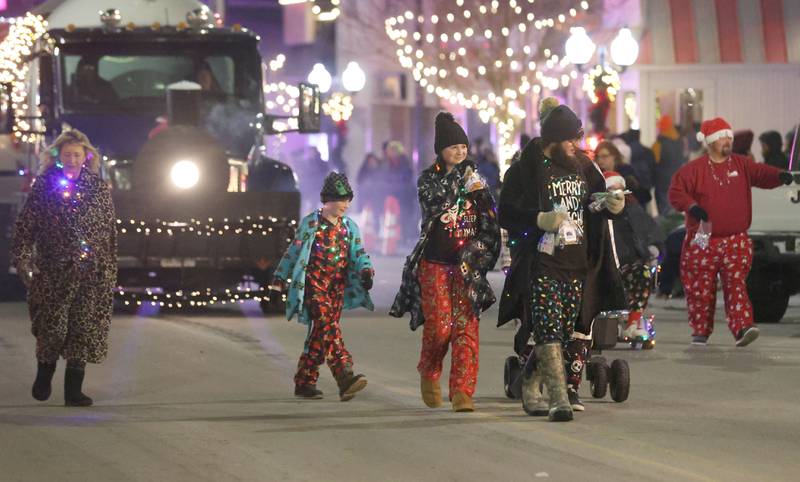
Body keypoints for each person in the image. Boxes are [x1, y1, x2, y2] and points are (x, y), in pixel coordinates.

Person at [498, 99, 625, 421]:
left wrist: (611, 203)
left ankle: (529, 382)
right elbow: (506, 212)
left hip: (577, 262)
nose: (575, 145)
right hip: (542, 262)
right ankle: (558, 400)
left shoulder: (582, 164)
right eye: (570, 140)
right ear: (553, 140)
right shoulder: (525, 168)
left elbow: (593, 198)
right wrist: (538, 219)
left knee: (563, 328)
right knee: (548, 329)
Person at [390, 112, 500, 412]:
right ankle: (429, 370)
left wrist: (486, 247)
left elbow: (490, 219)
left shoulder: (476, 178)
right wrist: (461, 181)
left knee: (466, 328)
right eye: (453, 147)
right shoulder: (429, 179)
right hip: (435, 262)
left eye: (463, 146)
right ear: (440, 150)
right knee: (440, 326)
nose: (460, 152)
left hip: (467, 267)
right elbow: (436, 203)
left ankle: (463, 391)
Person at [11, 129, 117, 407]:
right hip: (54, 271)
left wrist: (107, 268)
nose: (72, 159)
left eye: (77, 154)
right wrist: (22, 258)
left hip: (90, 273)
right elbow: (26, 226)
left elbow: (108, 230)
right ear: (58, 157)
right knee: (53, 327)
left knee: (82, 327)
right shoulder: (44, 186)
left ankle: (74, 390)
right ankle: (44, 374)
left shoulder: (97, 187)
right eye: (67, 154)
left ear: (86, 157)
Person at [668, 117, 795, 346]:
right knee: (700, 285)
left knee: (736, 283)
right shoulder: (693, 170)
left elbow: (761, 173)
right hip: (703, 235)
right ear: (710, 142)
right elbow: (676, 192)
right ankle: (700, 330)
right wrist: (692, 206)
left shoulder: (741, 164)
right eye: (721, 137)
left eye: (729, 136)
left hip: (736, 237)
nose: (727, 140)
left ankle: (742, 327)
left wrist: (779, 176)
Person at [273, 172, 374, 401]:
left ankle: (304, 381)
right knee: (328, 327)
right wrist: (278, 280)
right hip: (314, 286)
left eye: (348, 199)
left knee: (320, 335)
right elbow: (294, 251)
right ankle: (344, 375)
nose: (345, 205)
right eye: (340, 199)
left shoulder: (350, 227)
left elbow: (358, 253)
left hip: (336, 289)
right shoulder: (310, 223)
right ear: (326, 200)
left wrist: (366, 270)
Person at [601, 170, 664, 339]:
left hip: (632, 262)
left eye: (619, 188)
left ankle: (633, 322)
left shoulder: (634, 210)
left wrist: (654, 246)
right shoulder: (599, 212)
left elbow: (650, 231)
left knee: (642, 274)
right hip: (606, 264)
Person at [595, 140, 651, 206]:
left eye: (604, 156)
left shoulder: (626, 171)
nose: (600, 160)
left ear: (614, 156)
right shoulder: (597, 174)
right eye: (597, 157)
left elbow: (643, 195)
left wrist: (630, 186)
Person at [652, 115, 686, 216]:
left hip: (662, 182)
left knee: (664, 212)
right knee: (675, 209)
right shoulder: (680, 141)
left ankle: (666, 231)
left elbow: (654, 161)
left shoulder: (658, 144)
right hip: (677, 180)